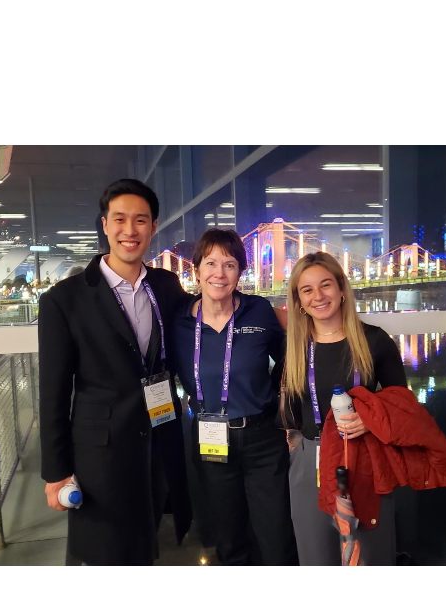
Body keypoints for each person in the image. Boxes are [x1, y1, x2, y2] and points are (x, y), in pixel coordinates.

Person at [38, 178, 193, 565]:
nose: (130, 230)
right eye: (120, 219)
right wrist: (55, 472)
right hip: (100, 450)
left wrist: (274, 315)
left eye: (141, 220)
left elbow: (208, 311)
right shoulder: (64, 300)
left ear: (154, 227)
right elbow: (53, 392)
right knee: (104, 549)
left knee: (149, 537)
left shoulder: (166, 285)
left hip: (158, 436)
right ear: (104, 225)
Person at [167, 228, 298, 565]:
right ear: (197, 270)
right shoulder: (178, 322)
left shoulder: (258, 311)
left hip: (262, 438)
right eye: (211, 263)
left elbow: (288, 357)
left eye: (229, 264)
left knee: (274, 530)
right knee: (227, 532)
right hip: (209, 439)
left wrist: (271, 393)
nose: (219, 273)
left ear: (240, 272)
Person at [281, 252, 407, 565]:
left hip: (363, 458)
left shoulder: (374, 341)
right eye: (307, 290)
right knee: (316, 557)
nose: (318, 296)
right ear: (298, 300)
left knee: (369, 559)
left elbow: (402, 403)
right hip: (312, 463)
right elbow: (289, 413)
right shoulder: (296, 347)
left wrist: (370, 419)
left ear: (341, 290)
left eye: (325, 285)